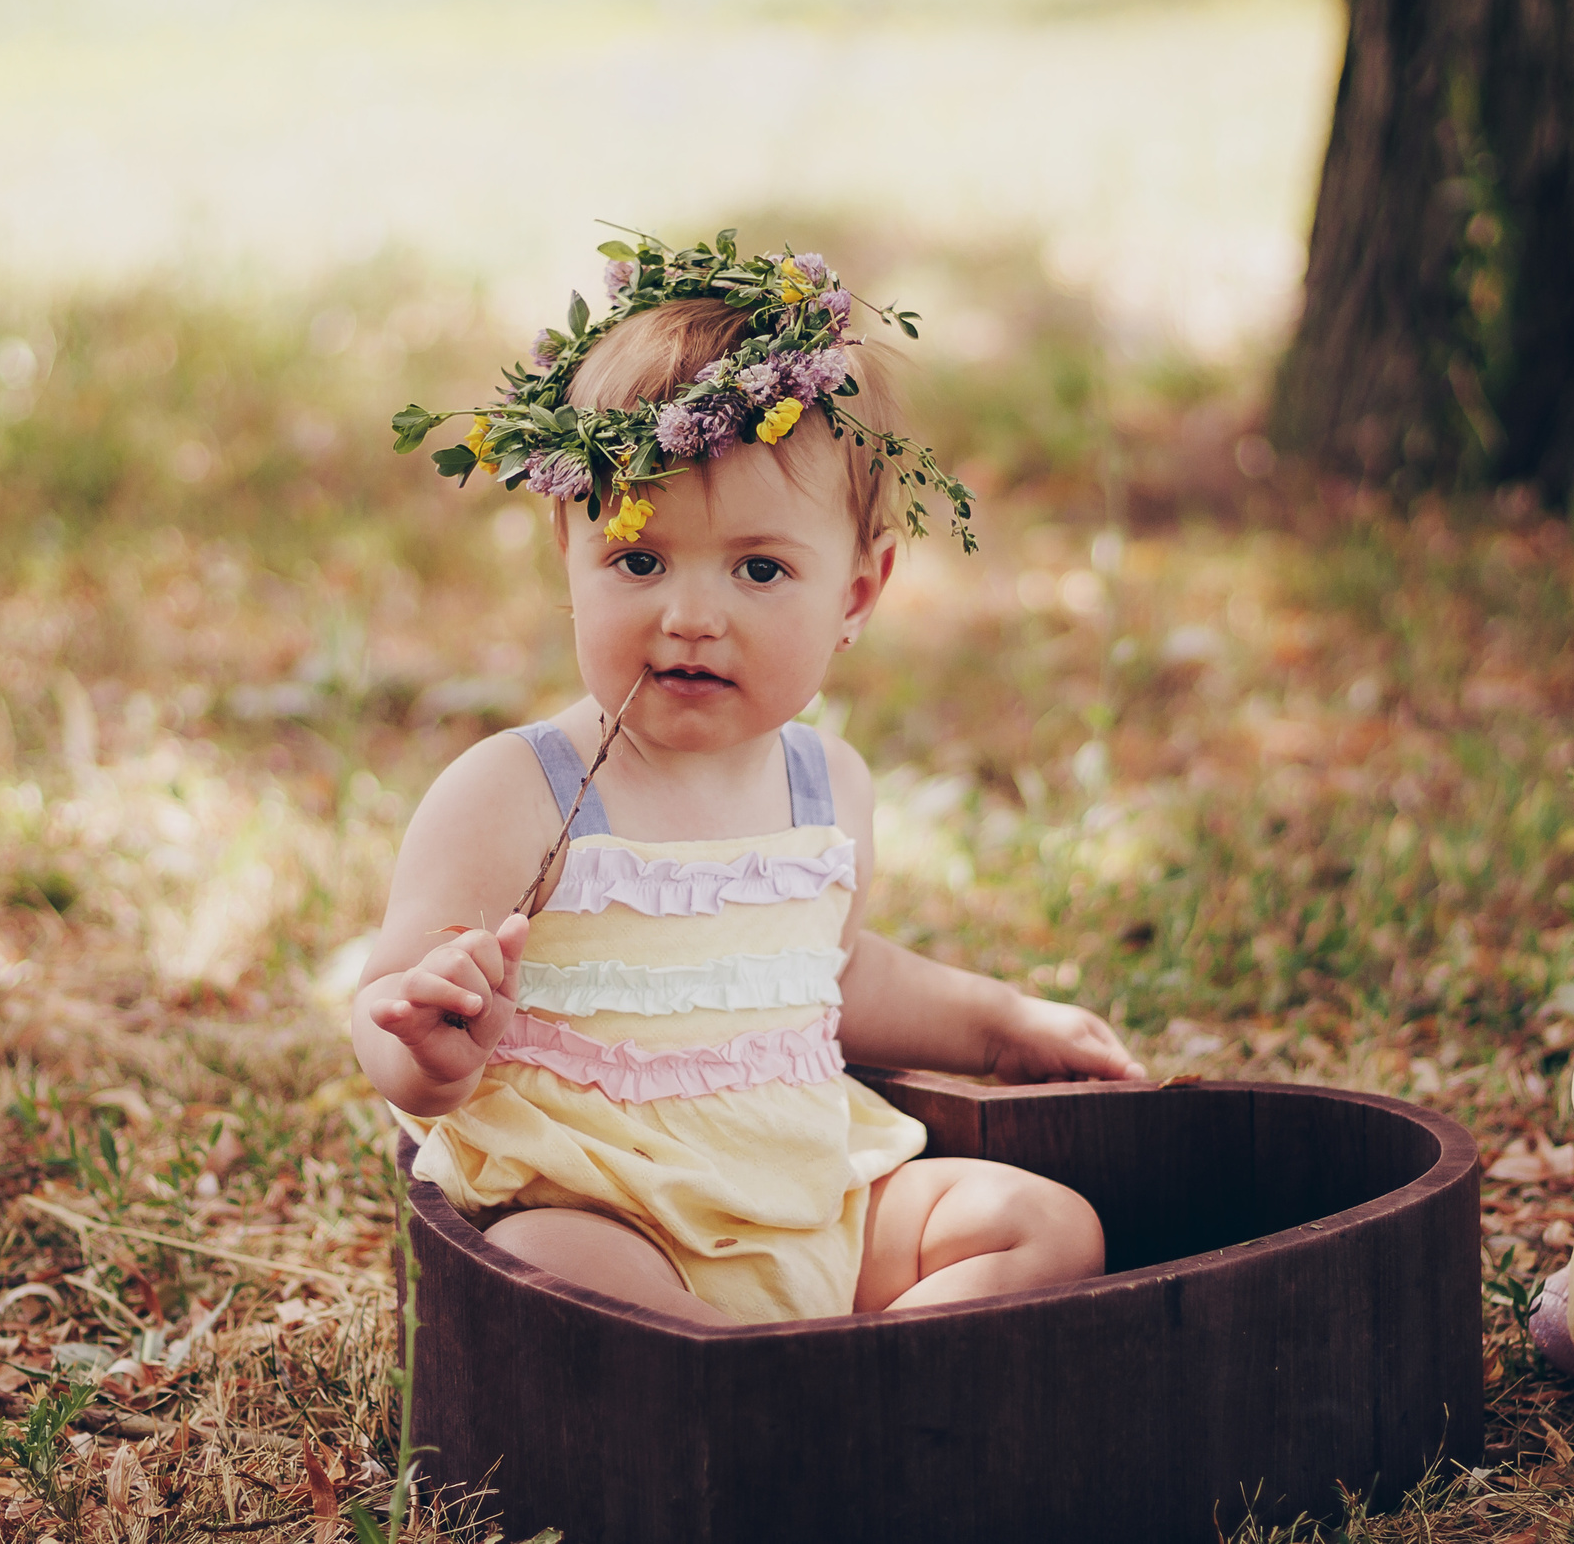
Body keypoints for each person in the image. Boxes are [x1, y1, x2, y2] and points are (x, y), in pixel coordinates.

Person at [351, 234, 1143, 1325]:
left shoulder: (828, 788)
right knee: (549, 1271)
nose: (689, 615)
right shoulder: (514, 792)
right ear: (568, 557)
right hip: (614, 1218)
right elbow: (390, 1005)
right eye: (638, 560)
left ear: (858, 595)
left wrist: (1002, 1023)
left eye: (760, 569)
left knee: (1045, 1225)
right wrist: (425, 1054)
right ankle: (776, 1398)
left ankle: (862, 1384)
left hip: (818, 1210)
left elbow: (832, 972)